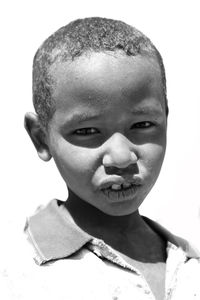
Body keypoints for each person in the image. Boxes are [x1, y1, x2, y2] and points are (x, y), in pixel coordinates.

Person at [4, 17, 200, 300]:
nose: (121, 157)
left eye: (142, 125)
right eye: (87, 131)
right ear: (40, 137)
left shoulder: (189, 264)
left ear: (165, 119)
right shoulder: (16, 271)